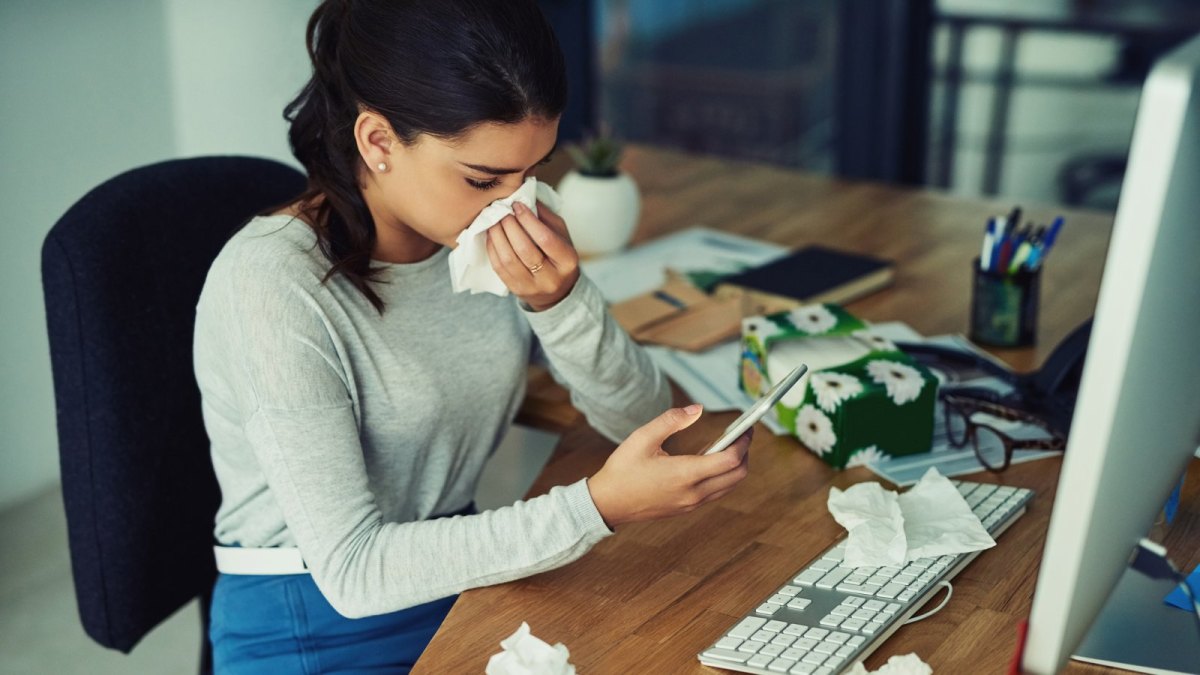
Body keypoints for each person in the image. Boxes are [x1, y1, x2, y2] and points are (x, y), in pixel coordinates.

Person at [193, 0, 752, 672]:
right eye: (485, 179)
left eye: (533, 171)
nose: (516, 204)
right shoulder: (271, 285)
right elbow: (353, 569)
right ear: (377, 143)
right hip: (314, 617)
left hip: (459, 574)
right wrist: (595, 506)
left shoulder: (479, 231)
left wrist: (561, 302)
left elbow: (645, 420)